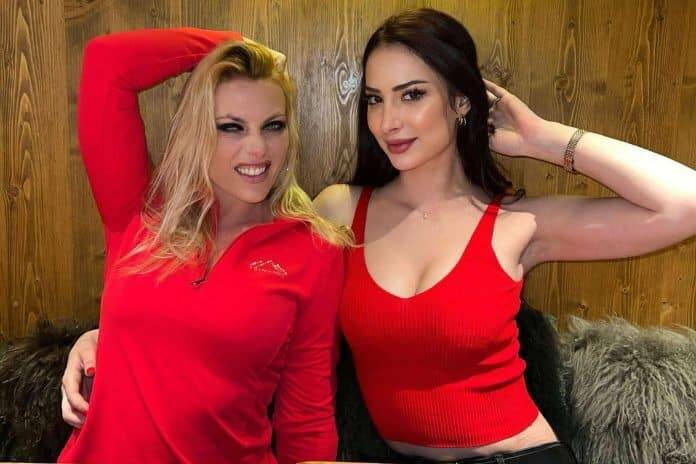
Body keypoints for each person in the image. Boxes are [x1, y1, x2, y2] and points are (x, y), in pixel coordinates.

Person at [62, 8, 696, 464]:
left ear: (461, 101)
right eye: (374, 99)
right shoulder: (339, 214)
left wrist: (543, 139)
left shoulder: (516, 223)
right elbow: (222, 289)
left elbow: (684, 205)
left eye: (412, 95)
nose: (389, 120)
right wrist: (108, 334)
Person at [57, 27, 351, 464]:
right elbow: (107, 62)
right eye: (231, 127)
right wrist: (237, 44)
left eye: (273, 126)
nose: (257, 148)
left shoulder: (313, 251)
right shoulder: (141, 212)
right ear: (198, 132)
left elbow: (306, 418)